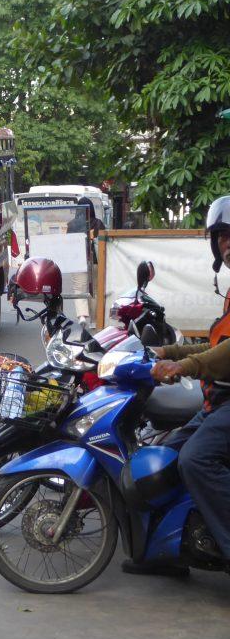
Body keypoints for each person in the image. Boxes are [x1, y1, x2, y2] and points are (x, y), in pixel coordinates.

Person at [129, 194, 230, 576]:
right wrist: (165, 350)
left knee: (196, 460)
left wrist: (183, 365)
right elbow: (218, 344)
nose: (228, 243)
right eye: (222, 236)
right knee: (166, 456)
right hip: (218, 402)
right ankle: (167, 551)